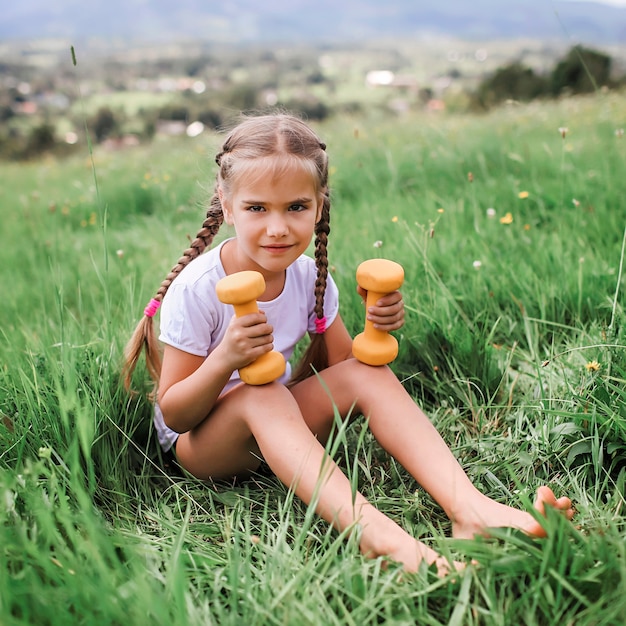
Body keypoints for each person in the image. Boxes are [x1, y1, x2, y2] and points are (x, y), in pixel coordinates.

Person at [123, 113, 573, 576]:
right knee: (263, 393)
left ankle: (470, 509)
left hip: (278, 428)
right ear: (227, 203)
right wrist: (225, 360)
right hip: (203, 448)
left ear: (319, 206)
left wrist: (378, 325)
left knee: (365, 372)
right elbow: (175, 414)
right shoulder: (200, 288)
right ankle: (381, 540)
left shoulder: (308, 277)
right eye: (257, 208)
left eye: (295, 207)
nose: (277, 228)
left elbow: (346, 372)